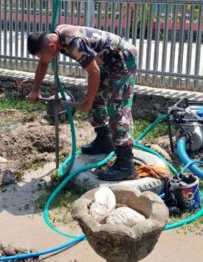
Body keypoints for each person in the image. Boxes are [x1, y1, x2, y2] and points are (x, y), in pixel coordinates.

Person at [26, 25, 138, 181]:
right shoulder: (55, 39)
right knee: (95, 98)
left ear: (52, 47)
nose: (43, 60)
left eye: (43, 56)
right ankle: (104, 139)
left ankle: (126, 164)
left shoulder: (73, 42)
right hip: (105, 61)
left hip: (122, 57)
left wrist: (87, 102)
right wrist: (35, 90)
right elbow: (43, 64)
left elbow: (93, 71)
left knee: (117, 106)